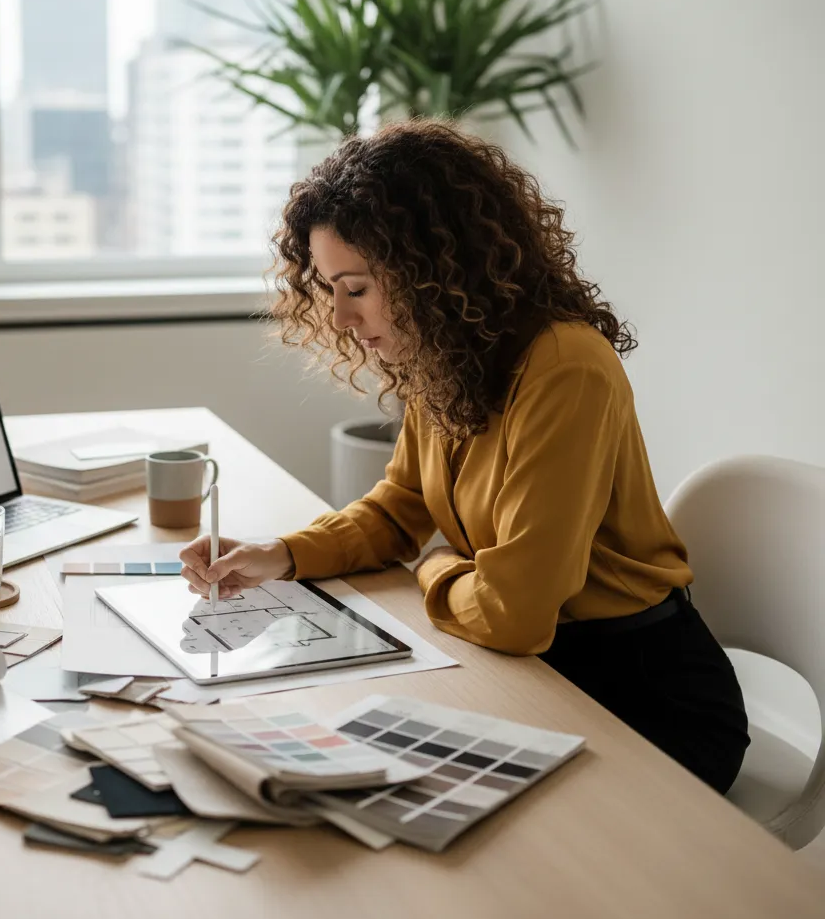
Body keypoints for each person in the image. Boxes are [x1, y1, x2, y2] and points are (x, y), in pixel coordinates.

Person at [179, 119, 749, 795]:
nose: (337, 319)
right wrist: (281, 555)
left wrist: (437, 567)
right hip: (543, 671)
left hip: (645, 697)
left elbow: (515, 613)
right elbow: (401, 509)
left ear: (433, 271)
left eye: (356, 289)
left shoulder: (565, 369)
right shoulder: (448, 355)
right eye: (329, 290)